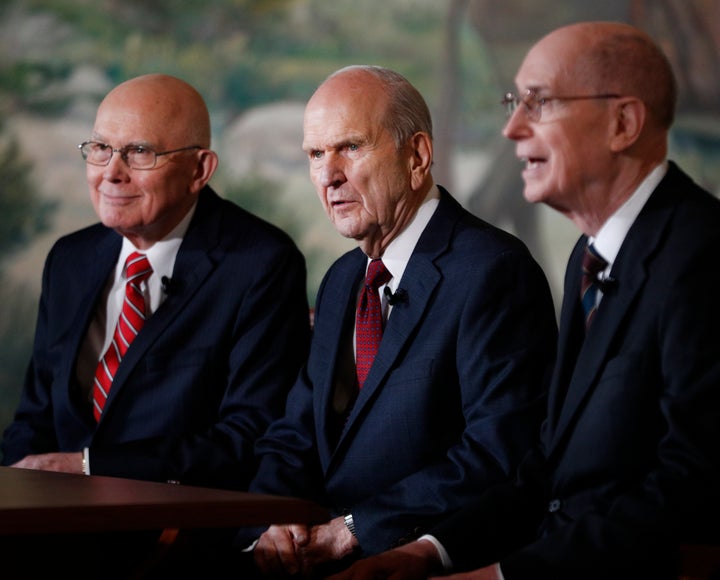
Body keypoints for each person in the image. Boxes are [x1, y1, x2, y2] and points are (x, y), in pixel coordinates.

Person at [331, 21, 720, 580]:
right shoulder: (587, 257)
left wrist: (497, 576)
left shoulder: (703, 255)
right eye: (514, 102)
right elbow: (546, 470)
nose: (512, 128)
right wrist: (427, 552)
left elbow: (693, 487)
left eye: (538, 103)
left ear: (623, 123)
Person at [234, 64, 558, 578]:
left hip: (422, 564)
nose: (328, 175)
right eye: (316, 155)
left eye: (350, 148)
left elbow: (498, 453)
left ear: (417, 156)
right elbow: (294, 435)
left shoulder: (493, 270)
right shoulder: (343, 278)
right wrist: (269, 522)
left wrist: (356, 529)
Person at [0, 73, 311, 490]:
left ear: (200, 169)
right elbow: (35, 417)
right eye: (100, 149)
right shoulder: (69, 260)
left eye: (139, 152)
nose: (111, 173)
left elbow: (249, 433)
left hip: (178, 525)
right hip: (53, 519)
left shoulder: (260, 263)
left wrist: (92, 467)